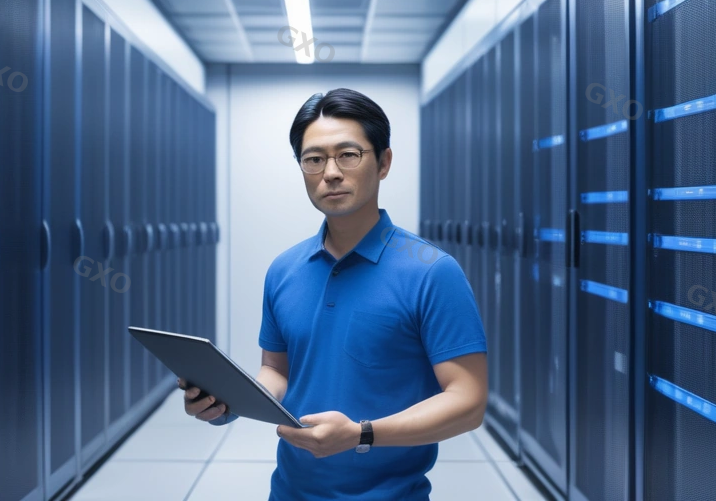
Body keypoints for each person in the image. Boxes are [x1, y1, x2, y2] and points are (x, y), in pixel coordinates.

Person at [179, 88, 488, 500]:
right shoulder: (284, 269)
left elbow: (468, 402)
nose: (331, 172)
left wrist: (361, 435)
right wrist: (230, 401)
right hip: (289, 490)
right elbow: (278, 372)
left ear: (384, 163)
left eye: (348, 154)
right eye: (314, 159)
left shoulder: (431, 271)